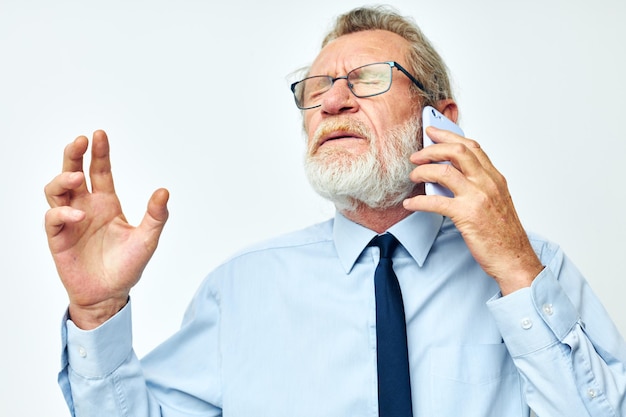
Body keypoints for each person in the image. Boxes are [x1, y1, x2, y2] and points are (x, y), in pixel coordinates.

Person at [44, 5, 626, 417]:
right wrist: (96, 313)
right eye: (314, 87)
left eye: (367, 79)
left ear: (440, 117)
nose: (331, 101)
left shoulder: (533, 268)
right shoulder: (241, 288)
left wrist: (518, 272)